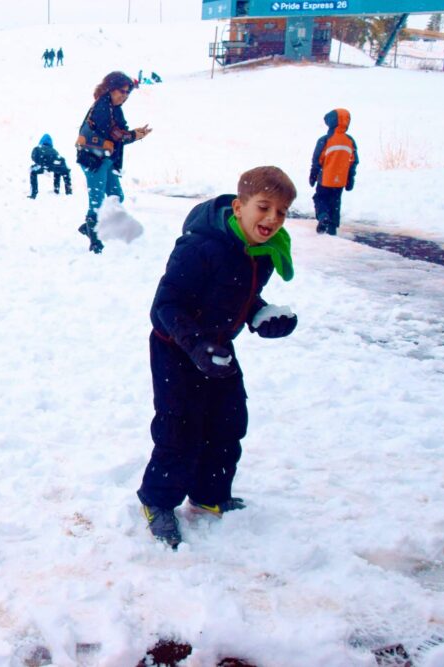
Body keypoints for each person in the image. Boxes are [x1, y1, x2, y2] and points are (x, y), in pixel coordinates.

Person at [136, 166, 299, 549]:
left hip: (219, 347)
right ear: (239, 207)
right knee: (180, 426)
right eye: (264, 207)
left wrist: (261, 316)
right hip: (175, 347)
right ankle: (157, 500)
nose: (272, 219)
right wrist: (195, 344)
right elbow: (166, 304)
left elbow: (238, 296)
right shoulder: (200, 247)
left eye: (281, 212)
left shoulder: (260, 252)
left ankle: (210, 493)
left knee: (228, 421)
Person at [75, 71, 152, 253]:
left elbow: (121, 132)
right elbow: (113, 134)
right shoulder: (102, 106)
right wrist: (133, 135)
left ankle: (90, 226)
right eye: (122, 91)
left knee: (116, 195)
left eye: (127, 93)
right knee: (97, 200)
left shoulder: (114, 108)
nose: (124, 96)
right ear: (110, 88)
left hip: (106, 159)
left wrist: (134, 133)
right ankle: (94, 238)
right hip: (93, 159)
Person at [309, 108, 358, 236]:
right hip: (340, 180)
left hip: (325, 179)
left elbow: (317, 160)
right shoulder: (350, 141)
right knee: (335, 202)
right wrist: (350, 178)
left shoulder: (325, 140)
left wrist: (313, 175)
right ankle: (332, 228)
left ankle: (323, 216)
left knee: (320, 198)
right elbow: (353, 161)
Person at [28, 134, 72, 199]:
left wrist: (38, 164)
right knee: (58, 171)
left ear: (41, 141)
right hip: (58, 165)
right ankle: (64, 191)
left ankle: (33, 194)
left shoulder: (38, 148)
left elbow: (33, 157)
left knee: (33, 172)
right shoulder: (54, 151)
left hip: (43, 164)